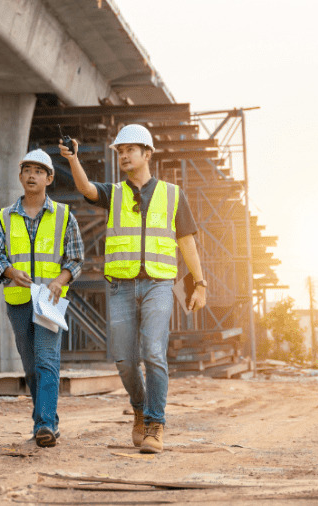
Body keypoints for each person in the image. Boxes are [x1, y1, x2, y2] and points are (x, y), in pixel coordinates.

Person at [58, 124, 207, 454]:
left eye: (129, 150)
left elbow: (187, 242)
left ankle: (156, 424)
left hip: (158, 284)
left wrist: (200, 283)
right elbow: (85, 187)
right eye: (119, 151)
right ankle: (139, 408)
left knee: (154, 352)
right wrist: (73, 159)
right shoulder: (115, 193)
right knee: (125, 360)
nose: (123, 155)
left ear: (147, 153)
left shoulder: (172, 194)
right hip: (121, 287)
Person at [0, 149, 84, 448]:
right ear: (20, 176)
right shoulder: (5, 216)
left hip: (50, 301)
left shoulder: (64, 216)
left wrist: (60, 280)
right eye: (27, 170)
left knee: (47, 361)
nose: (31, 175)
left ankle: (44, 425)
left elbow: (76, 258)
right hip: (17, 299)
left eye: (39, 171)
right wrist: (11, 272)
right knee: (30, 365)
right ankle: (47, 421)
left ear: (49, 178)